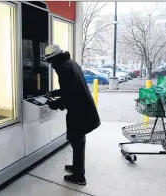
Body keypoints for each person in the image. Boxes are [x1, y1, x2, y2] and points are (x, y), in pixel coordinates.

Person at [44, 45, 101, 185]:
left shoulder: (63, 68)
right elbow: (69, 88)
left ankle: (79, 176)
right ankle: (77, 168)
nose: (50, 64)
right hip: (82, 109)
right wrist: (54, 93)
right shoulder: (70, 63)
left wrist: (54, 104)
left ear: (53, 58)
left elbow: (70, 94)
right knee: (78, 142)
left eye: (50, 61)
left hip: (79, 111)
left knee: (77, 142)